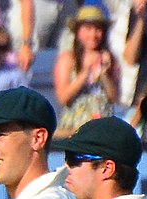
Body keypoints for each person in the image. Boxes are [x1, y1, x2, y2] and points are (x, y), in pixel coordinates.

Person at [53, 4, 117, 137]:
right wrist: (85, 73)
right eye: (88, 28)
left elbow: (114, 97)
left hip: (102, 126)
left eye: (98, 29)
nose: (94, 34)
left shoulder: (109, 58)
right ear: (78, 31)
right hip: (74, 128)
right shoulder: (68, 59)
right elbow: (63, 97)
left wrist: (105, 74)